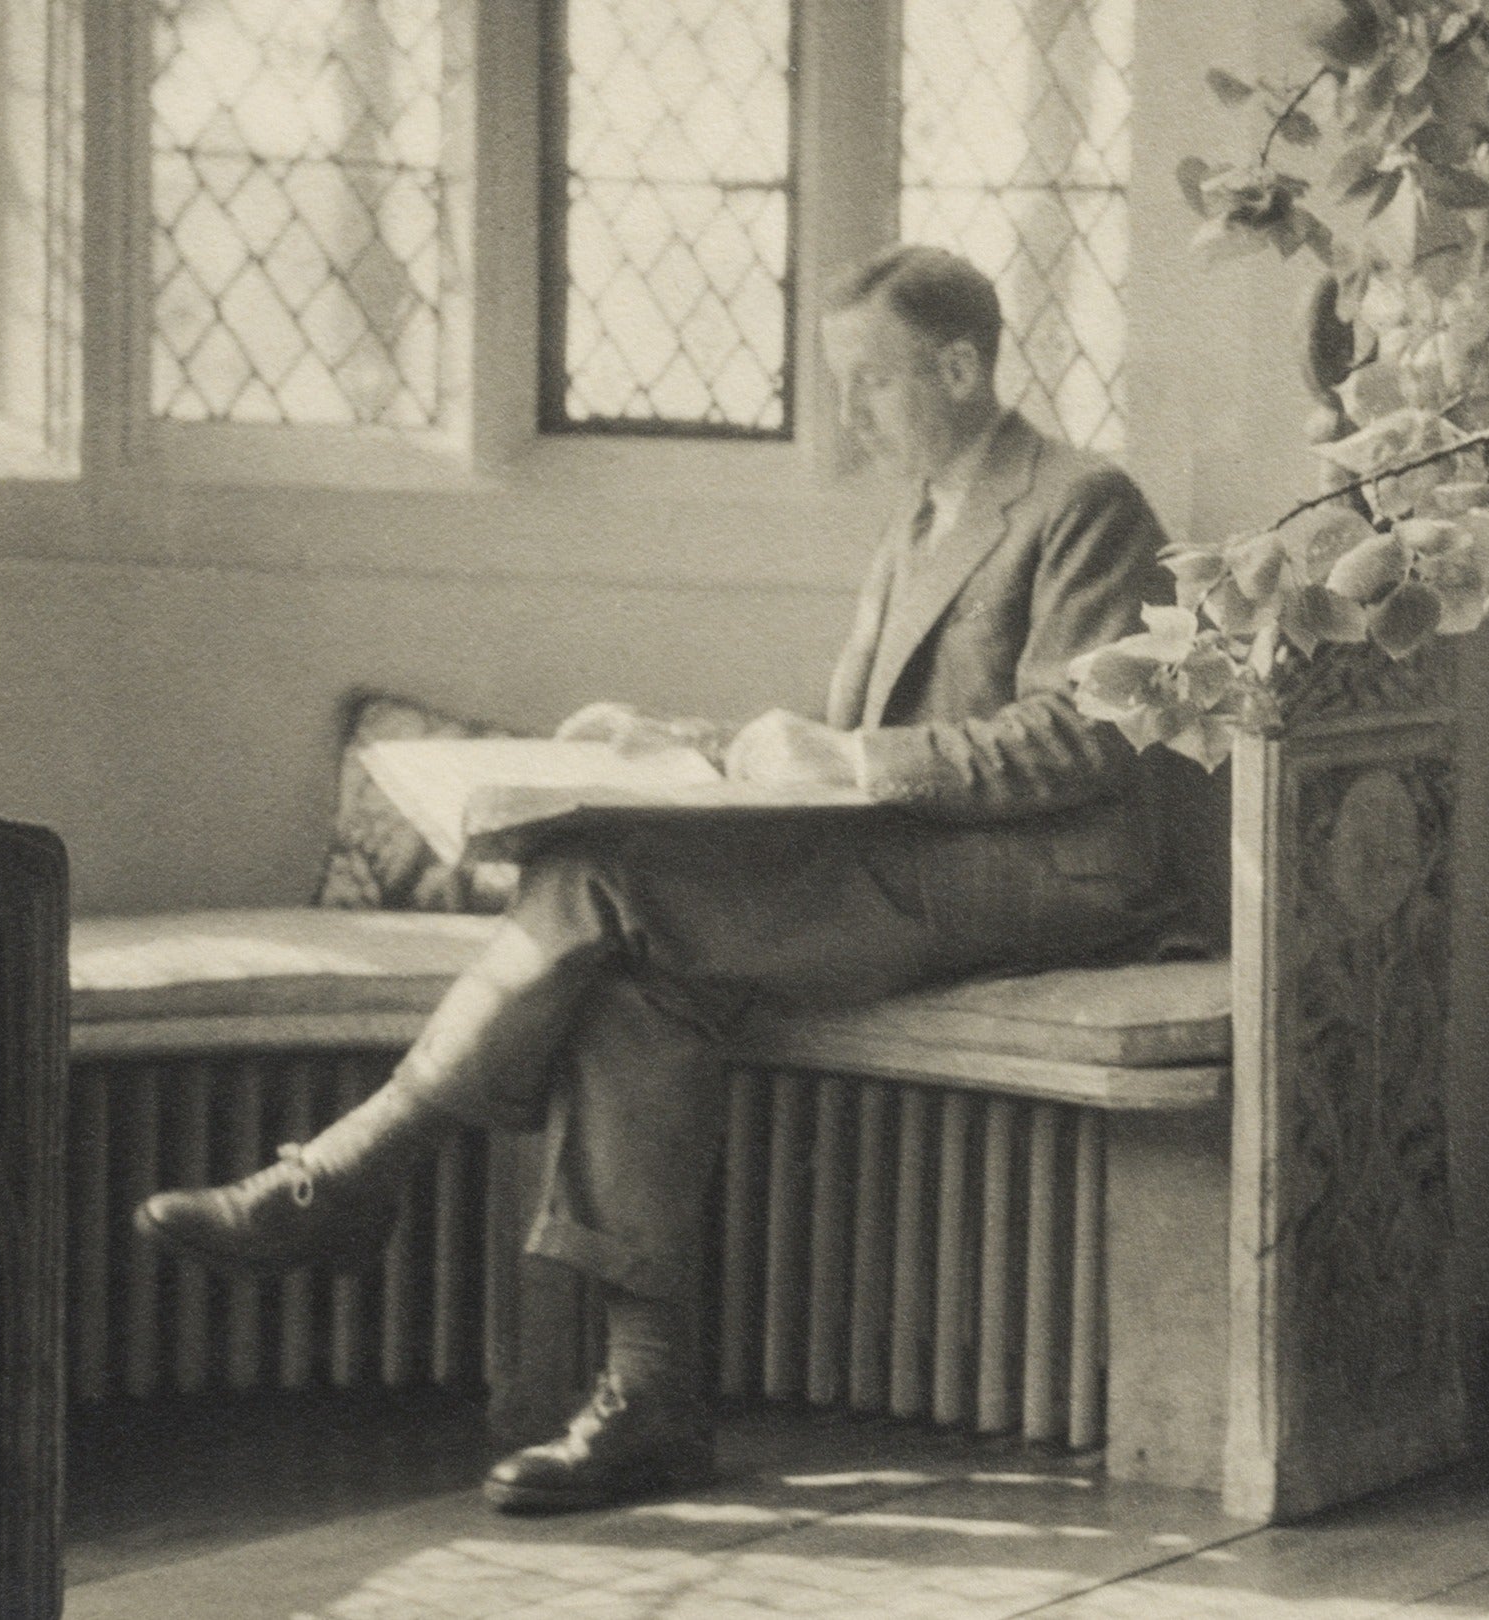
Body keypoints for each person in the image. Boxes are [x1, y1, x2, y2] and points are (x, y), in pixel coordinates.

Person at [134, 246, 1176, 1512]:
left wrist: (849, 752)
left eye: (871, 385)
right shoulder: (917, 520)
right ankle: (649, 1402)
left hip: (1047, 881)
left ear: (961, 367)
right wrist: (674, 740)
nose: (848, 418)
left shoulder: (1084, 501)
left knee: (605, 889)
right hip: (912, 866)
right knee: (634, 979)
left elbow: (1088, 736)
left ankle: (358, 1173)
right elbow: (839, 750)